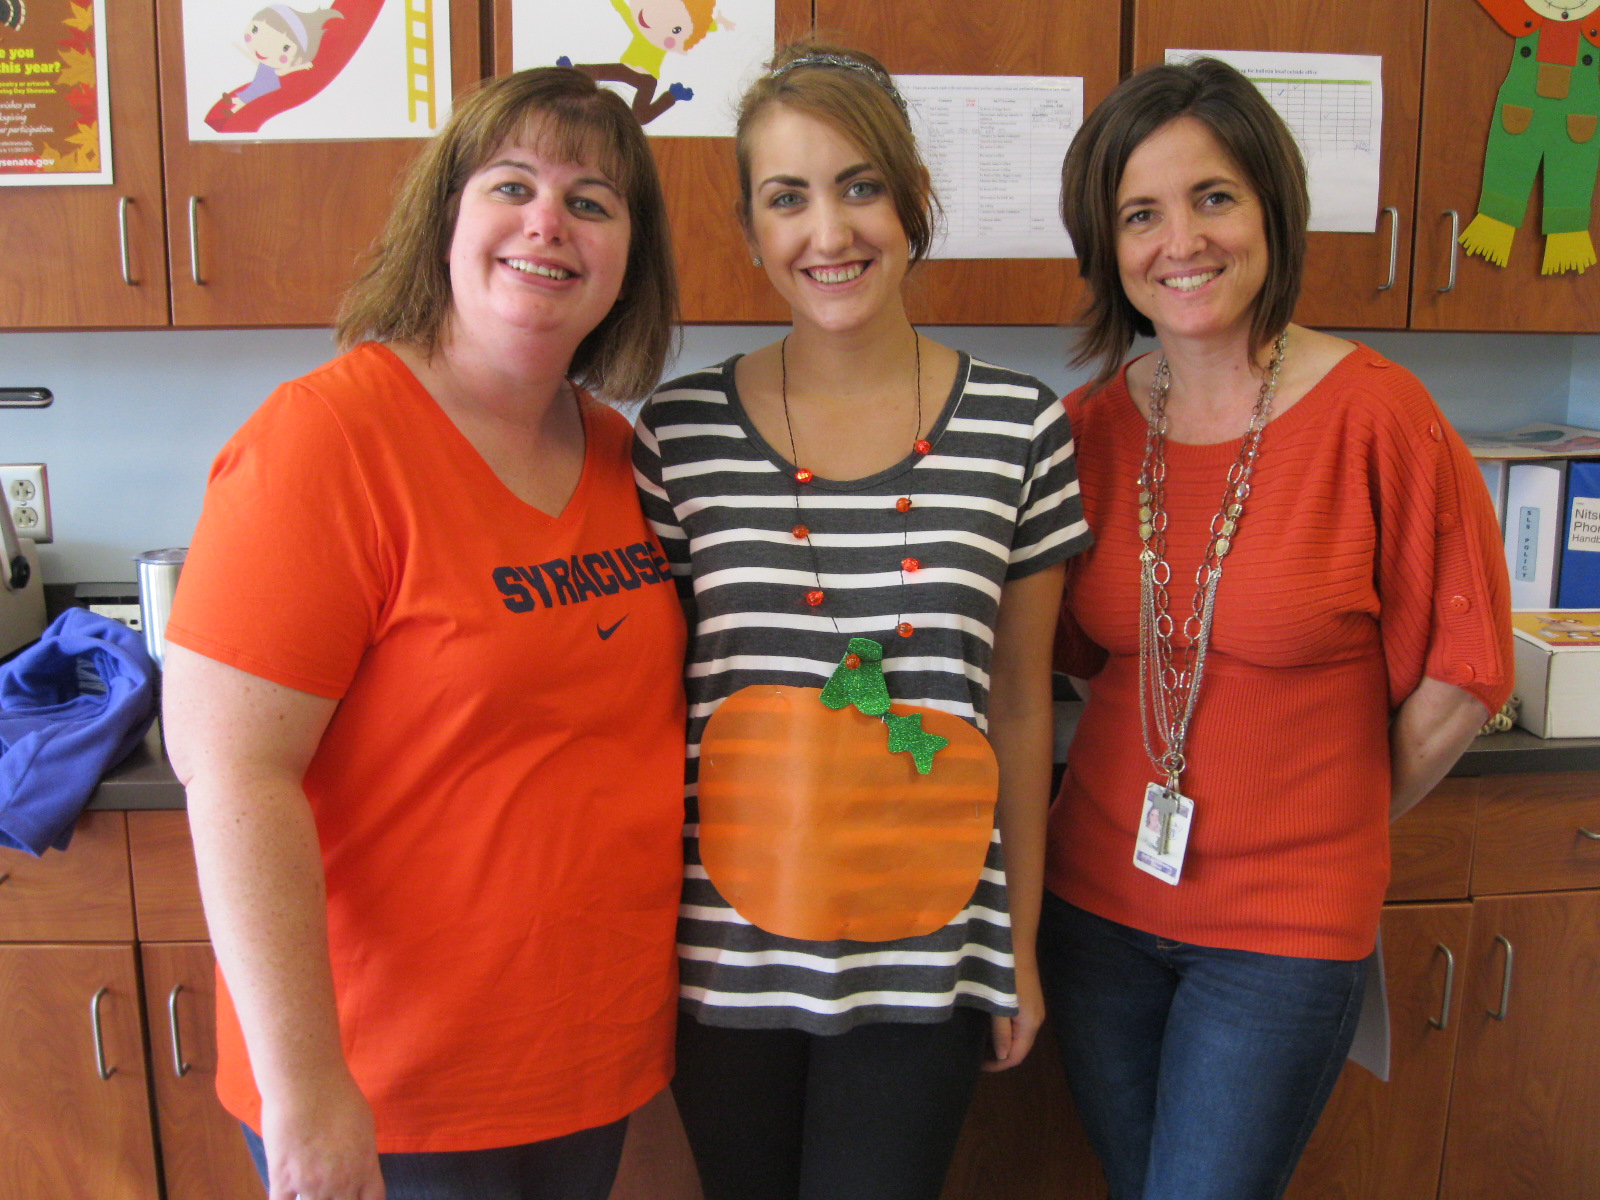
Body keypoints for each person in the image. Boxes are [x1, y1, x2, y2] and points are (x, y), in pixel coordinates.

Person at [162, 67, 686, 1200]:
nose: (549, 221)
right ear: (444, 218)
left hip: (579, 1064)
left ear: (626, 263)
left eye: (593, 202)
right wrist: (307, 1089)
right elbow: (233, 773)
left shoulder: (615, 453)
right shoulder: (324, 441)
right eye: (513, 185)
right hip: (389, 1087)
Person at [1041, 57, 1513, 1200]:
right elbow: (1071, 657)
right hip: (1094, 907)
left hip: (1281, 936)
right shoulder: (1087, 430)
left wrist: (1321, 829)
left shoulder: (1377, 416)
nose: (1181, 242)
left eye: (1213, 197)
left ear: (1269, 209)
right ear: (1108, 247)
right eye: (1139, 214)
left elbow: (1461, 675)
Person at [633, 41, 1092, 1200]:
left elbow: (1019, 704)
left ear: (911, 202)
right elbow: (644, 706)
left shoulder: (1020, 429)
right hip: (719, 959)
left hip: (929, 953)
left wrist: (1018, 950)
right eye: (787, 198)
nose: (827, 232)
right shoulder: (675, 435)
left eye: (860, 186)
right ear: (748, 231)